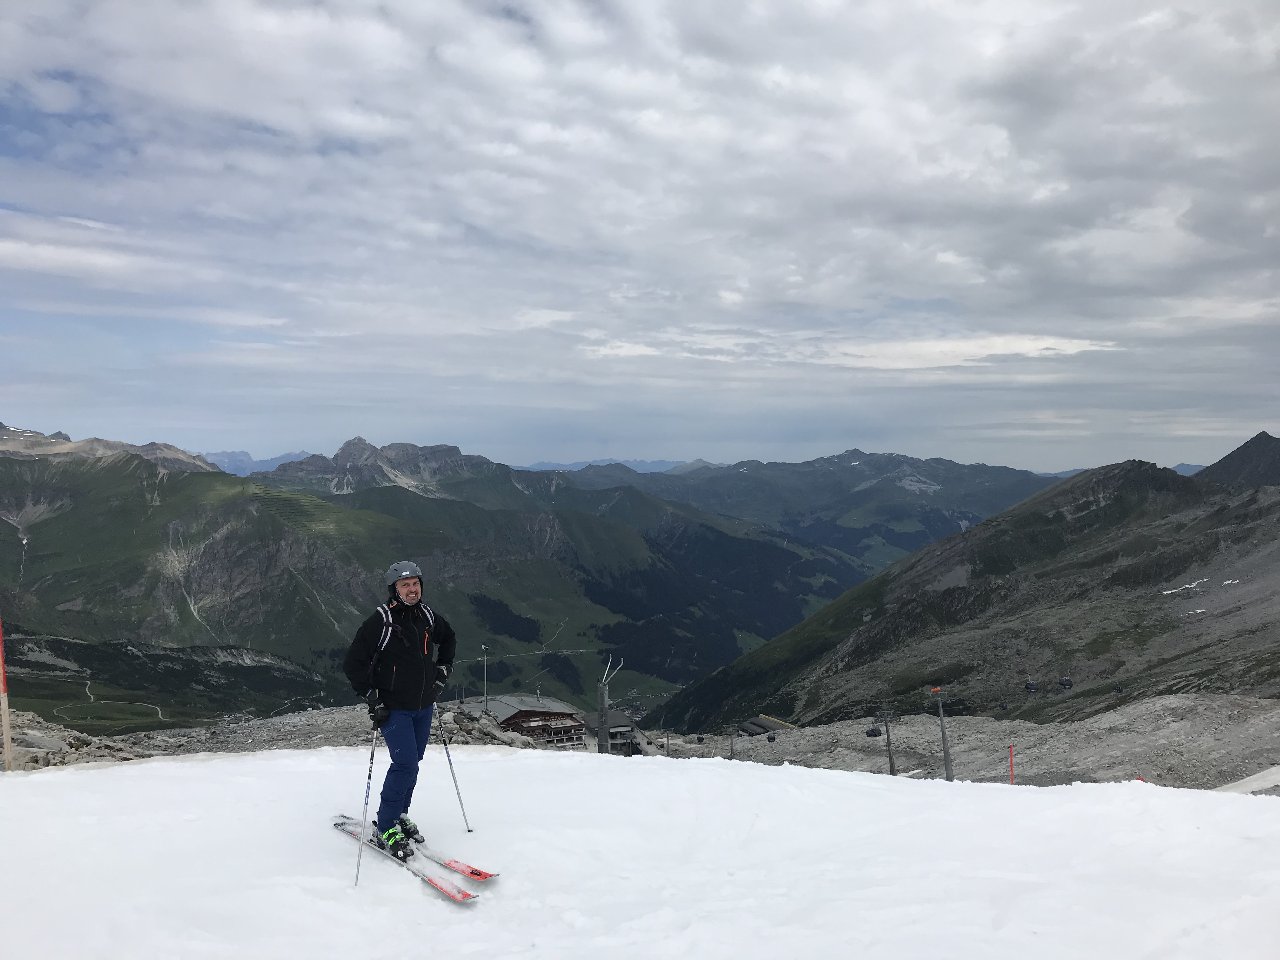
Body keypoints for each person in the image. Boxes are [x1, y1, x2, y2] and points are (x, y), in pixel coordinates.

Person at [343, 560, 456, 860]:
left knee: (413, 762)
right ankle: (386, 825)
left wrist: (442, 672)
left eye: (415, 583)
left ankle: (400, 814)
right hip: (394, 708)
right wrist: (372, 697)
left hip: (423, 705)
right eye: (405, 585)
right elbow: (352, 663)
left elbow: (449, 638)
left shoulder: (427, 616)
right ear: (394, 589)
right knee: (404, 764)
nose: (412, 589)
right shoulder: (381, 620)